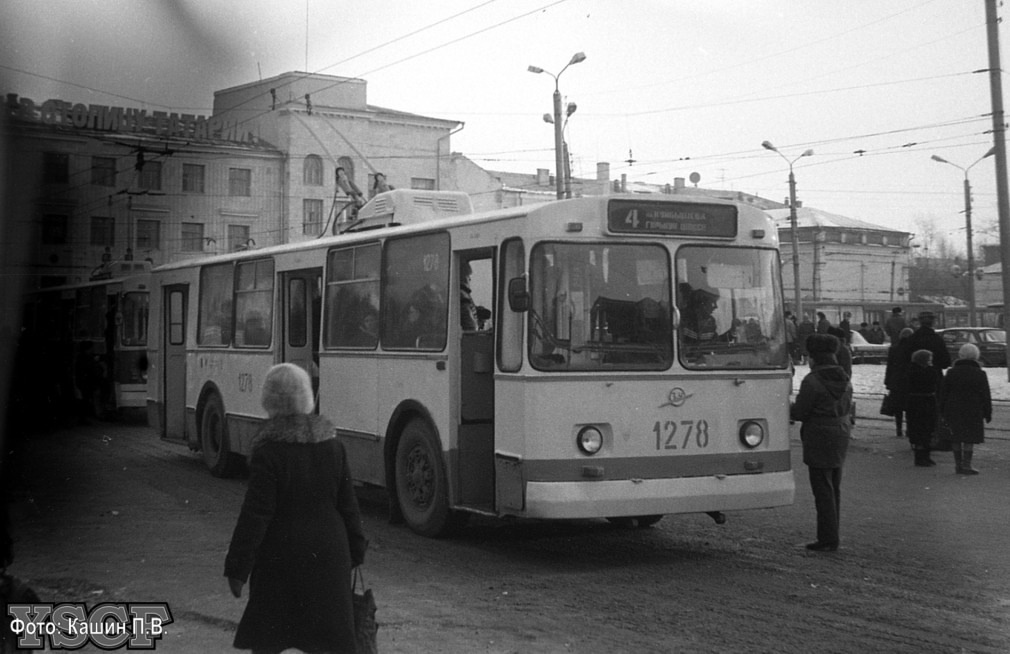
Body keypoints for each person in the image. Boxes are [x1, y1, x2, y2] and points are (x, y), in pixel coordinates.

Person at [225, 363, 367, 654]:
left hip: (281, 558)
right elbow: (349, 506)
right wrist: (357, 550)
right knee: (329, 642)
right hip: (330, 554)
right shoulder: (333, 447)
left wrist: (238, 569)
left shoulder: (268, 451)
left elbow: (256, 515)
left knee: (269, 639)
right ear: (307, 396)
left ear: (268, 400)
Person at [790, 333, 852, 553]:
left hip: (818, 435)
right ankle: (830, 535)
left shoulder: (812, 381)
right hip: (841, 433)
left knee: (822, 489)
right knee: (834, 486)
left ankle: (827, 539)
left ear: (814, 357)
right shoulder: (844, 377)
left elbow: (800, 412)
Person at [939, 343, 992, 475]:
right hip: (973, 409)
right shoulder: (979, 373)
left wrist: (942, 410)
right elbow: (985, 394)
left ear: (960, 355)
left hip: (953, 408)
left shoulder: (951, 372)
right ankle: (967, 465)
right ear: (976, 356)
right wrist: (987, 412)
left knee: (956, 437)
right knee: (969, 437)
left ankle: (958, 465)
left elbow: (943, 393)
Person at [905, 348, 943, 467]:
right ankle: (921, 456)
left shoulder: (911, 370)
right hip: (923, 401)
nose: (931, 361)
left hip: (918, 401)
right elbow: (935, 382)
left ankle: (924, 455)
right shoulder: (926, 371)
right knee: (923, 429)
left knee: (925, 429)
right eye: (929, 359)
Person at [884, 327, 914, 439]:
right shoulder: (913, 350)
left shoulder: (894, 349)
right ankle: (909, 429)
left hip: (896, 381)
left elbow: (890, 367)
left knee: (898, 408)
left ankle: (899, 429)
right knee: (910, 407)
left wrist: (887, 381)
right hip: (910, 382)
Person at [460, 261, 478, 331]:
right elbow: (470, 324)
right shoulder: (462, 295)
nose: (470, 279)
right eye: (468, 276)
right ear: (462, 276)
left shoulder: (463, 294)